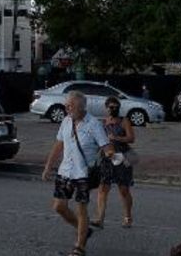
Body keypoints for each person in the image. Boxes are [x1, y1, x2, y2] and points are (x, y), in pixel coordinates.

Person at [42, 90, 116, 256]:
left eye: (72, 105)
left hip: (83, 173)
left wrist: (112, 153)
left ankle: (79, 248)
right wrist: (48, 166)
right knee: (59, 207)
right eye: (67, 105)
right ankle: (83, 229)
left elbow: (106, 146)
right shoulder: (66, 121)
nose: (68, 108)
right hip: (65, 171)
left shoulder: (94, 124)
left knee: (81, 209)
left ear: (82, 107)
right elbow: (59, 145)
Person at [92, 96, 135, 230]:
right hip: (107, 158)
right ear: (106, 108)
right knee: (103, 188)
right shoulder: (103, 122)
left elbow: (131, 138)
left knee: (123, 189)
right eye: (111, 107)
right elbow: (98, 141)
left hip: (122, 157)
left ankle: (127, 217)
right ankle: (100, 218)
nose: (114, 109)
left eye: (116, 107)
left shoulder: (124, 121)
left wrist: (116, 138)